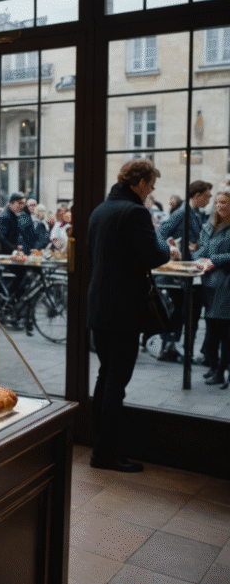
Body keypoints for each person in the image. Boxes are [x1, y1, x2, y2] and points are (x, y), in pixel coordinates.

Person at [87, 158, 178, 472]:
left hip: (99, 305)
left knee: (105, 375)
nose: (150, 192)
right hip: (123, 309)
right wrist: (167, 246)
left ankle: (100, 447)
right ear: (140, 184)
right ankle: (104, 455)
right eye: (151, 186)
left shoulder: (100, 209)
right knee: (117, 381)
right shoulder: (135, 211)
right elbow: (153, 255)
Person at [156, 180, 213, 361]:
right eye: (207, 196)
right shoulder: (183, 213)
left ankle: (174, 347)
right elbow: (161, 232)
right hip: (182, 273)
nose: (209, 199)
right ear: (197, 196)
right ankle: (170, 347)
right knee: (183, 311)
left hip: (189, 270)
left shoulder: (194, 213)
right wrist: (170, 249)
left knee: (185, 311)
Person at [197, 190, 230, 387]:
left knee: (225, 331)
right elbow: (202, 249)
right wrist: (196, 259)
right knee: (211, 330)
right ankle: (214, 366)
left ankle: (222, 370)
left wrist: (213, 260)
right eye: (217, 202)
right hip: (208, 284)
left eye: (224, 203)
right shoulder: (210, 225)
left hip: (226, 285)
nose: (220, 206)